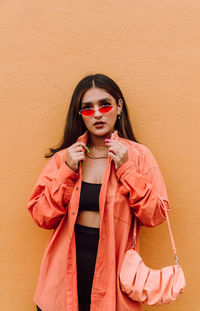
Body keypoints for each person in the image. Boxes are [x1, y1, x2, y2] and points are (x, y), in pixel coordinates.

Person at [27, 73, 170, 311]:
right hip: (63, 275)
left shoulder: (139, 156)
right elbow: (41, 216)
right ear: (80, 115)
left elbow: (155, 215)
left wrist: (127, 169)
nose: (97, 114)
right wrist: (67, 171)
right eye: (87, 108)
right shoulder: (65, 158)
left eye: (105, 104)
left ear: (119, 106)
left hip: (113, 274)